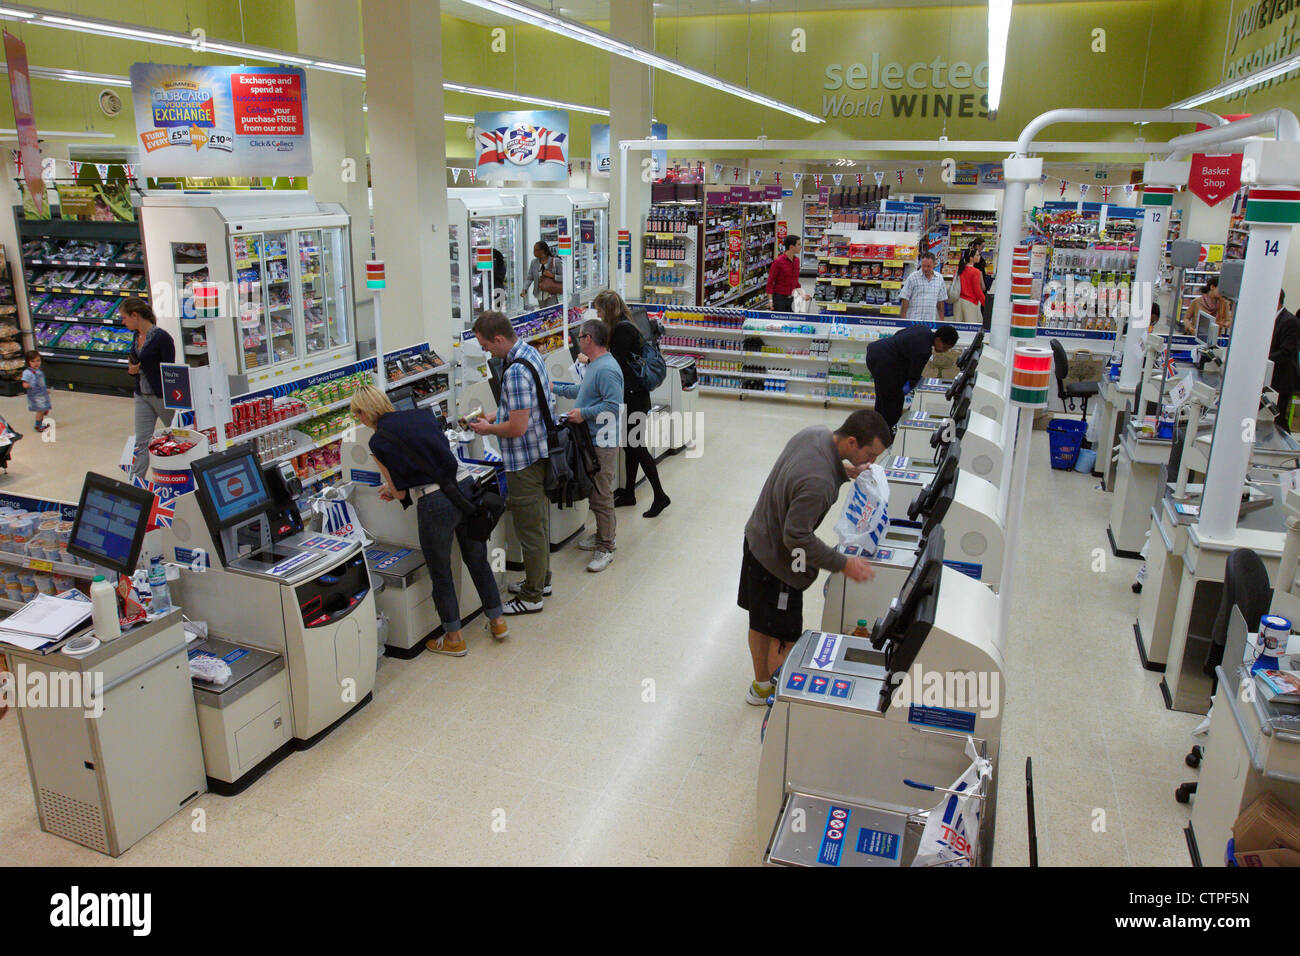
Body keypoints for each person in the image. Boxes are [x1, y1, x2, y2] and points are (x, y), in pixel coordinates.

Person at [740, 410, 891, 705]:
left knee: (759, 621)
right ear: (851, 441)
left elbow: (804, 471)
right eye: (870, 455)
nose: (872, 463)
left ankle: (760, 688)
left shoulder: (816, 434)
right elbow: (796, 537)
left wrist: (848, 472)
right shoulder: (819, 482)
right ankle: (781, 706)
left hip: (757, 538)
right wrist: (844, 563)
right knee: (784, 634)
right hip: (777, 564)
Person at [350, 385, 507, 656]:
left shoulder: (377, 441)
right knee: (477, 559)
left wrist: (390, 491)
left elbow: (398, 491)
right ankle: (498, 621)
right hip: (466, 489)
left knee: (441, 571)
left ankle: (455, 638)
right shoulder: (421, 415)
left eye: (358, 414)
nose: (359, 420)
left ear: (366, 411)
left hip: (435, 503)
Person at [469, 310, 554, 613]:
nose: (485, 351)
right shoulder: (529, 353)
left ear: (500, 338)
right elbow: (536, 400)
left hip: (524, 460)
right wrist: (495, 414)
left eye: (486, 345)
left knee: (529, 528)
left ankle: (532, 597)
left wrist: (488, 429)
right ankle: (541, 578)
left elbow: (517, 428)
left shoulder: (515, 371)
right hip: (540, 451)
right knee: (540, 523)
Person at [552, 319, 623, 573]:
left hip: (602, 441)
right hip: (591, 439)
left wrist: (584, 413)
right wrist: (556, 388)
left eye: (580, 336)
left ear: (588, 339)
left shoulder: (606, 369)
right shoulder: (597, 365)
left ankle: (606, 546)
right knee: (595, 492)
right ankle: (603, 534)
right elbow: (584, 390)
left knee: (601, 495)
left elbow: (613, 407)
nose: (578, 340)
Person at [594, 290, 672, 518]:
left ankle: (660, 496)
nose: (598, 315)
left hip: (634, 397)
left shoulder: (621, 330)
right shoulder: (627, 325)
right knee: (630, 446)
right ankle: (629, 493)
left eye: (599, 310)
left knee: (636, 446)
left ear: (607, 310)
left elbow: (614, 362)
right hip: (634, 395)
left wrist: (591, 358)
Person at [866, 324, 959, 432]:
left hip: (876, 351)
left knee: (883, 395)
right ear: (938, 339)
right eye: (944, 347)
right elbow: (914, 375)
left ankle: (877, 429)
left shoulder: (923, 329)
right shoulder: (923, 351)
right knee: (893, 400)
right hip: (884, 360)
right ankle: (888, 432)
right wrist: (907, 389)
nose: (944, 351)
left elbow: (899, 334)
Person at [122, 297, 176, 479]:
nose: (123, 322)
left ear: (135, 315)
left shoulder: (162, 338)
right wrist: (132, 370)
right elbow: (135, 363)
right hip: (141, 395)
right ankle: (135, 482)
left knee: (176, 432)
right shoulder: (135, 337)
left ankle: (183, 473)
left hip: (161, 396)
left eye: (124, 317)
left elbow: (170, 369)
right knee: (141, 442)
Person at [1270, 291, 1299, 432]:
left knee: (1278, 419)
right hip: (1271, 376)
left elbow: (1286, 352)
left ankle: (1286, 451)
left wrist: (1262, 359)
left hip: (1281, 379)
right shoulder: (1274, 318)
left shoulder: (1290, 321)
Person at [898, 251, 947, 325]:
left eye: (928, 266)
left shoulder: (939, 278)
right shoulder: (913, 277)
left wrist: (941, 321)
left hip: (930, 322)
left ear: (934, 265)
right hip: (913, 321)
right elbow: (905, 299)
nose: (925, 269)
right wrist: (904, 321)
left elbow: (940, 302)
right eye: (923, 266)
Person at [766, 235, 802, 313]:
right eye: (799, 244)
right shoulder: (778, 262)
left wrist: (802, 294)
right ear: (791, 247)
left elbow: (795, 280)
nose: (800, 247)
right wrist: (770, 301)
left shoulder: (796, 261)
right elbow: (770, 282)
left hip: (790, 297)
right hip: (779, 298)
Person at [523, 241, 562, 309]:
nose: (534, 252)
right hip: (539, 294)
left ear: (542, 251)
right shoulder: (534, 263)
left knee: (552, 313)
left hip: (551, 293)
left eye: (536, 250)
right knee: (543, 314)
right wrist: (525, 289)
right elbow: (529, 278)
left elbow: (563, 277)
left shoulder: (556, 261)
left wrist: (552, 276)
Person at [21, 351, 50, 433]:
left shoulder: (39, 371)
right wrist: (27, 384)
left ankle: (41, 422)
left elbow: (41, 383)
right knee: (40, 411)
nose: (36, 363)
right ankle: (38, 425)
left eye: (38, 360)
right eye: (33, 361)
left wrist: (45, 390)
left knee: (44, 409)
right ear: (28, 362)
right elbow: (24, 384)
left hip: (42, 394)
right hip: (35, 395)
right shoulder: (27, 372)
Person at [956, 250, 985, 326]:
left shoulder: (959, 269)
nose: (979, 257)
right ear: (971, 258)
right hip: (970, 302)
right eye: (977, 255)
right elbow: (977, 290)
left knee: (958, 327)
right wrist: (985, 302)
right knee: (971, 327)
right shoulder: (976, 271)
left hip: (958, 301)